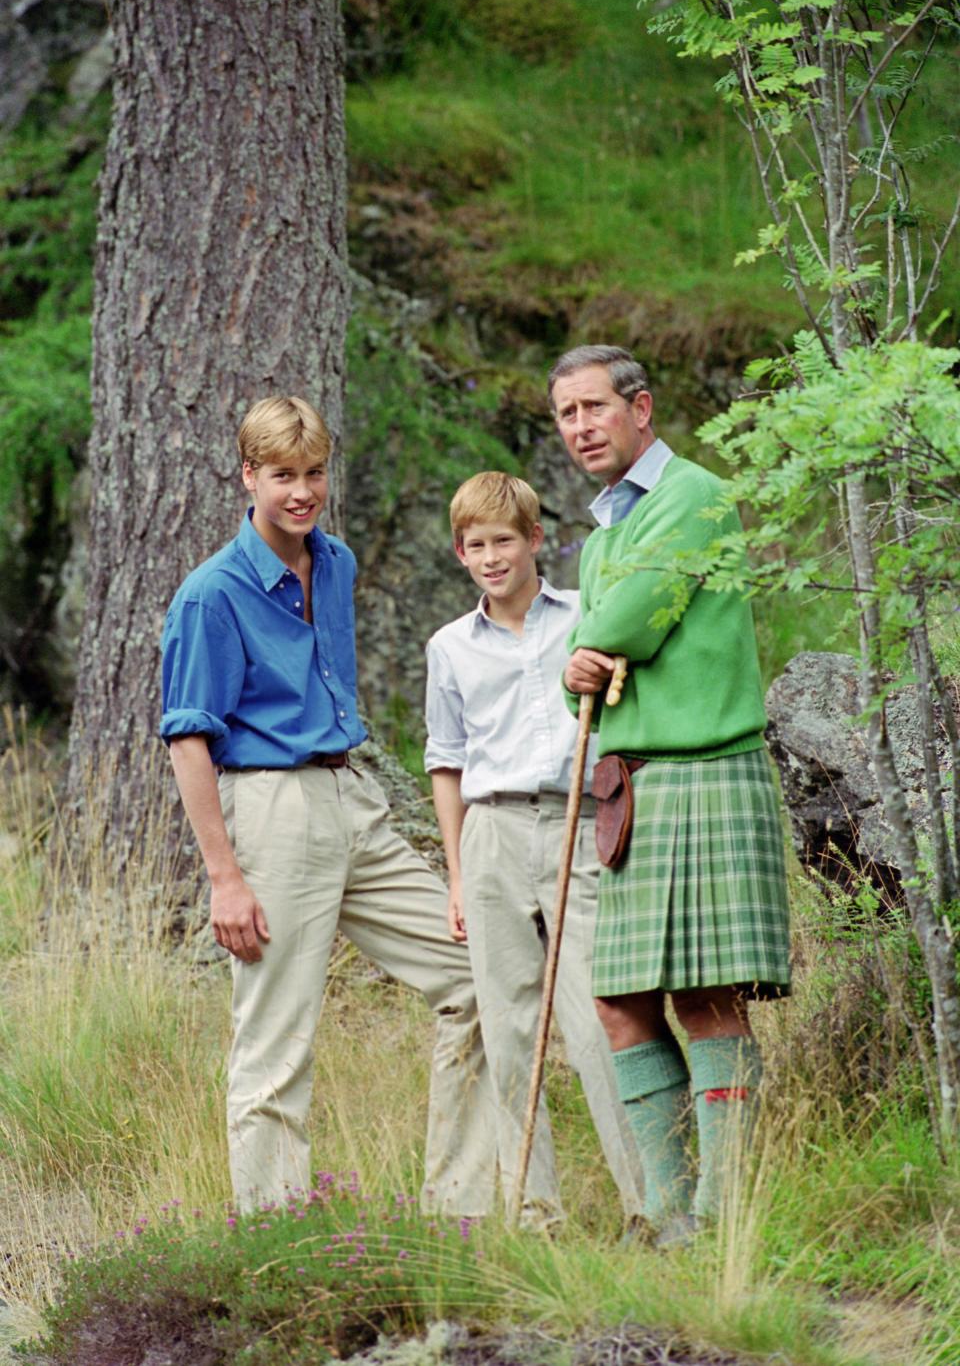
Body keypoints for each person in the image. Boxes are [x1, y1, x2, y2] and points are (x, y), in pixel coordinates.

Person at [160, 394, 495, 1216]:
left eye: (314, 473)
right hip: (272, 809)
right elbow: (187, 739)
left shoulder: (334, 560)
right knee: (275, 1043)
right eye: (282, 476)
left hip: (353, 794)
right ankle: (279, 1246)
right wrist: (224, 877)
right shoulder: (212, 595)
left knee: (476, 976)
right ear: (248, 475)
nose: (302, 492)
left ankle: (463, 1212)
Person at [548, 345, 791, 1244]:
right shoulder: (608, 529)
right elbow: (573, 669)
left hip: (704, 769)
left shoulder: (696, 494)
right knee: (621, 1002)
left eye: (595, 408)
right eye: (566, 414)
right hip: (634, 787)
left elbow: (627, 626)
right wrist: (580, 658)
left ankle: (725, 1217)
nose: (580, 428)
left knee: (707, 997)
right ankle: (670, 1221)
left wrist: (591, 649)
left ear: (640, 407)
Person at [424, 471, 645, 1231]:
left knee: (594, 1019)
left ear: (535, 540)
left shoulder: (583, 617)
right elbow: (446, 762)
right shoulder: (450, 647)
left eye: (504, 541)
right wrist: (457, 875)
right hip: (490, 833)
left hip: (575, 824)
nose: (492, 557)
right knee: (510, 1029)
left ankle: (647, 1204)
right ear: (461, 552)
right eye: (476, 545)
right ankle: (533, 1212)